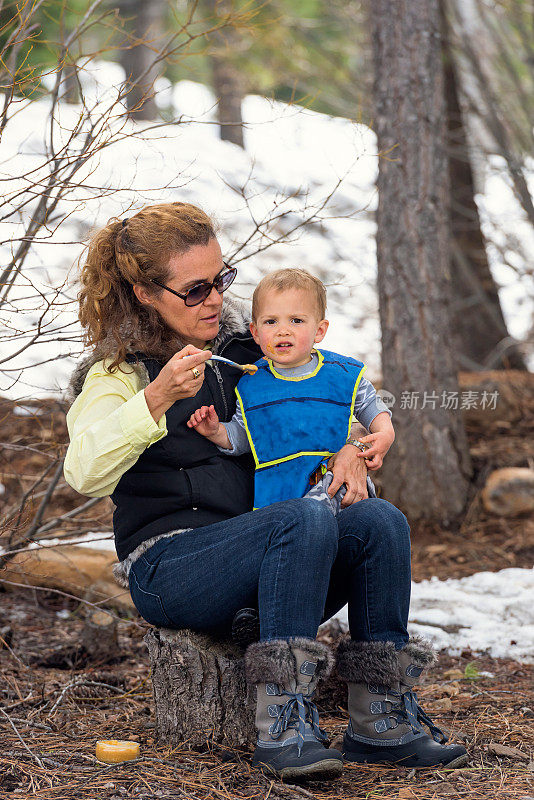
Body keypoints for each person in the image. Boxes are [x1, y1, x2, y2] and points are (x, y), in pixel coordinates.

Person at [64, 201, 468, 781]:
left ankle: (380, 721)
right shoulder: (117, 375)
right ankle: (284, 725)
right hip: (171, 568)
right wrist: (155, 398)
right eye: (194, 288)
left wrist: (351, 448)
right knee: (298, 519)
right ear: (144, 293)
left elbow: (316, 421)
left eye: (221, 280)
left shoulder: (251, 359)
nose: (214, 299)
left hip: (272, 558)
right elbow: (83, 470)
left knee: (381, 522)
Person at [187, 268, 394, 515]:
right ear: (255, 332)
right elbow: (244, 435)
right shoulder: (252, 383)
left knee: (379, 519)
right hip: (280, 500)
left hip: (339, 490)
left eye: (296, 320)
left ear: (319, 330)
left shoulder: (341, 373)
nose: (283, 330)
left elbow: (369, 404)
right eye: (270, 321)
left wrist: (384, 432)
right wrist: (216, 431)